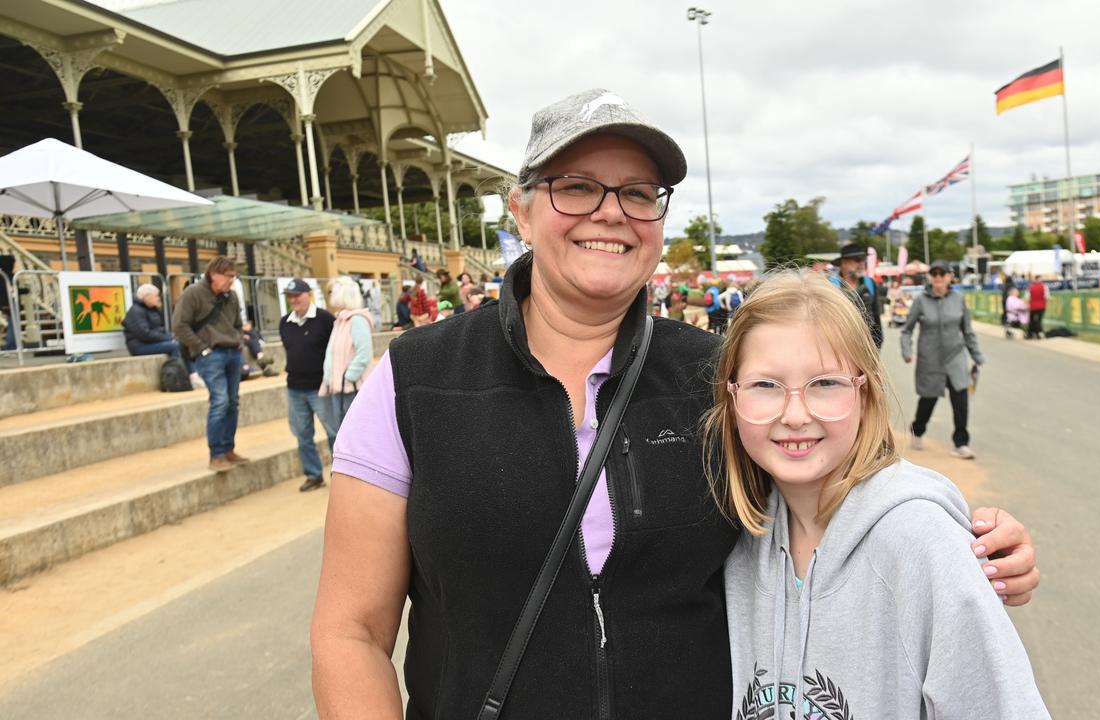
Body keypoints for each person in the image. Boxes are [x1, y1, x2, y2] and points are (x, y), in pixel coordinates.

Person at [310, 88, 1039, 719]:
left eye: (638, 192)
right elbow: (351, 633)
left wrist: (962, 537)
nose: (612, 212)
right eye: (577, 186)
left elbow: (838, 495)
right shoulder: (415, 380)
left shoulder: (713, 377)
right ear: (523, 212)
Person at [708, 270, 1048, 718]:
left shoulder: (920, 541)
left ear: (865, 394)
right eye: (765, 385)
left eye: (825, 383)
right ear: (731, 400)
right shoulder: (732, 536)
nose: (794, 414)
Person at [901, 261, 983, 460]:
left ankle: (961, 443)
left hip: (955, 358)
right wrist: (907, 350)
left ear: (949, 276)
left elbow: (967, 331)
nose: (938, 277)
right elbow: (907, 330)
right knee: (927, 400)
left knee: (961, 401)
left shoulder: (958, 299)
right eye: (934, 273)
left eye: (942, 273)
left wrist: (976, 355)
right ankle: (918, 430)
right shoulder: (921, 301)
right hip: (931, 359)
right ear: (930, 277)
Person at [172, 256, 247, 472]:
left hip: (232, 351)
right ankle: (216, 453)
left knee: (232, 402)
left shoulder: (231, 296)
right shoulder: (193, 293)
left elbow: (237, 324)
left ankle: (228, 449)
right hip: (210, 354)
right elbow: (179, 325)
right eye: (228, 276)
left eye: (233, 277)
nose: (231, 281)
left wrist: (239, 341)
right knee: (220, 401)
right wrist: (201, 348)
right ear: (214, 274)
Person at [279, 278, 339, 493]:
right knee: (302, 435)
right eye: (290, 296)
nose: (294, 300)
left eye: (297, 295)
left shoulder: (325, 319)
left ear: (308, 294)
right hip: (295, 386)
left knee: (334, 432)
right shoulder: (285, 322)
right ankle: (313, 475)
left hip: (320, 386)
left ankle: (341, 476)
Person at [123, 283, 204, 387]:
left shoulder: (153, 310)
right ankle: (181, 376)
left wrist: (172, 337)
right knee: (175, 346)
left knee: (184, 344)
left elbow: (160, 329)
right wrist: (169, 338)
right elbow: (144, 334)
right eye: (156, 296)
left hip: (152, 343)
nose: (158, 298)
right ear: (146, 297)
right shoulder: (135, 312)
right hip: (140, 346)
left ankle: (193, 375)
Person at [320, 276, 374, 431]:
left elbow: (364, 354)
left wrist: (348, 377)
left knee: (353, 432)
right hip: (339, 388)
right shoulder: (341, 320)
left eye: (331, 292)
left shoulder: (356, 319)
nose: (329, 295)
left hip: (350, 389)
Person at [835, 242, 883, 348]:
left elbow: (876, 317)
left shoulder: (870, 283)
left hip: (867, 348)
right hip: (840, 348)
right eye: (857, 260)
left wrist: (877, 346)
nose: (862, 263)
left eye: (863, 259)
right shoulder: (830, 286)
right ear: (843, 263)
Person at [1027, 275, 1049, 339]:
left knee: (1033, 320)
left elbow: (1027, 297)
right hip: (1040, 306)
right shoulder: (1044, 286)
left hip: (1033, 306)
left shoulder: (1030, 287)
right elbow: (1046, 296)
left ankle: (1031, 333)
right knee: (1038, 320)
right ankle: (1038, 333)